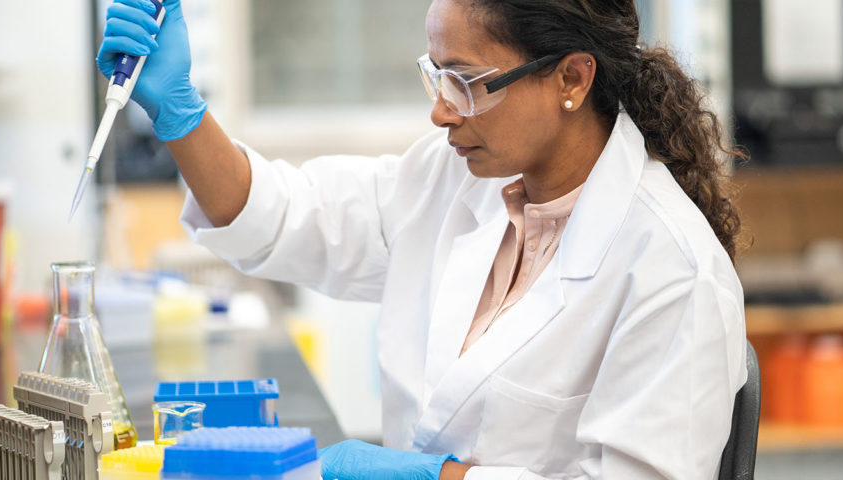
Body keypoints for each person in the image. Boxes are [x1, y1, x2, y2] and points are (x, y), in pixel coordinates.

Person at [97, 0, 748, 478]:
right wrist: (180, 110)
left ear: (572, 80)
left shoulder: (672, 273)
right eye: (436, 74)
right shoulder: (456, 178)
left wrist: (438, 478)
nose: (440, 109)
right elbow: (287, 215)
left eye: (465, 82)